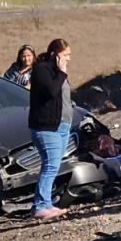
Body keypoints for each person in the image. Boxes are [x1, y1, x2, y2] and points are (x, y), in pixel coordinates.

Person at [28, 39, 73, 221]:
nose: (68, 59)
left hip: (62, 125)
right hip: (46, 127)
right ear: (55, 55)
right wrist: (62, 73)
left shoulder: (56, 72)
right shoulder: (42, 70)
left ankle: (46, 203)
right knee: (50, 164)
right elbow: (50, 91)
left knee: (53, 166)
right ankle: (39, 205)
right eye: (65, 55)